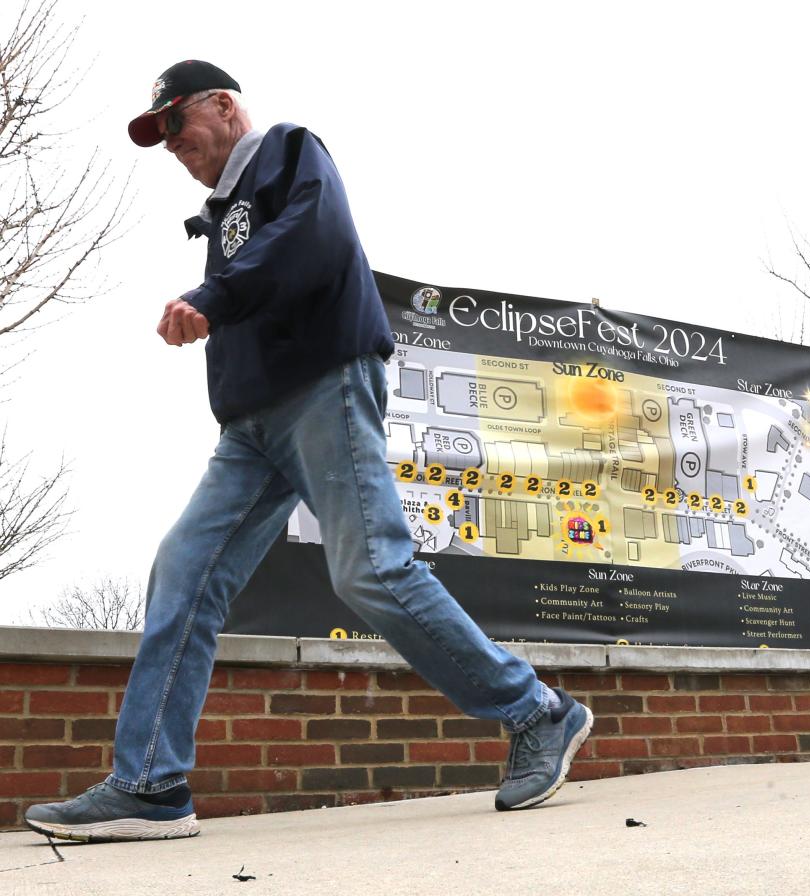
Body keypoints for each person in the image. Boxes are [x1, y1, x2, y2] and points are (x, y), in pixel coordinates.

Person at [24, 60, 593, 842]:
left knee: (372, 569)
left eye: (175, 126)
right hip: (250, 428)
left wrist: (212, 298)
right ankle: (150, 784)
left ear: (222, 106)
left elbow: (314, 239)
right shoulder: (222, 210)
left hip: (324, 386)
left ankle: (539, 712)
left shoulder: (290, 151)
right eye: (159, 140)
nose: (172, 147)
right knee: (183, 570)